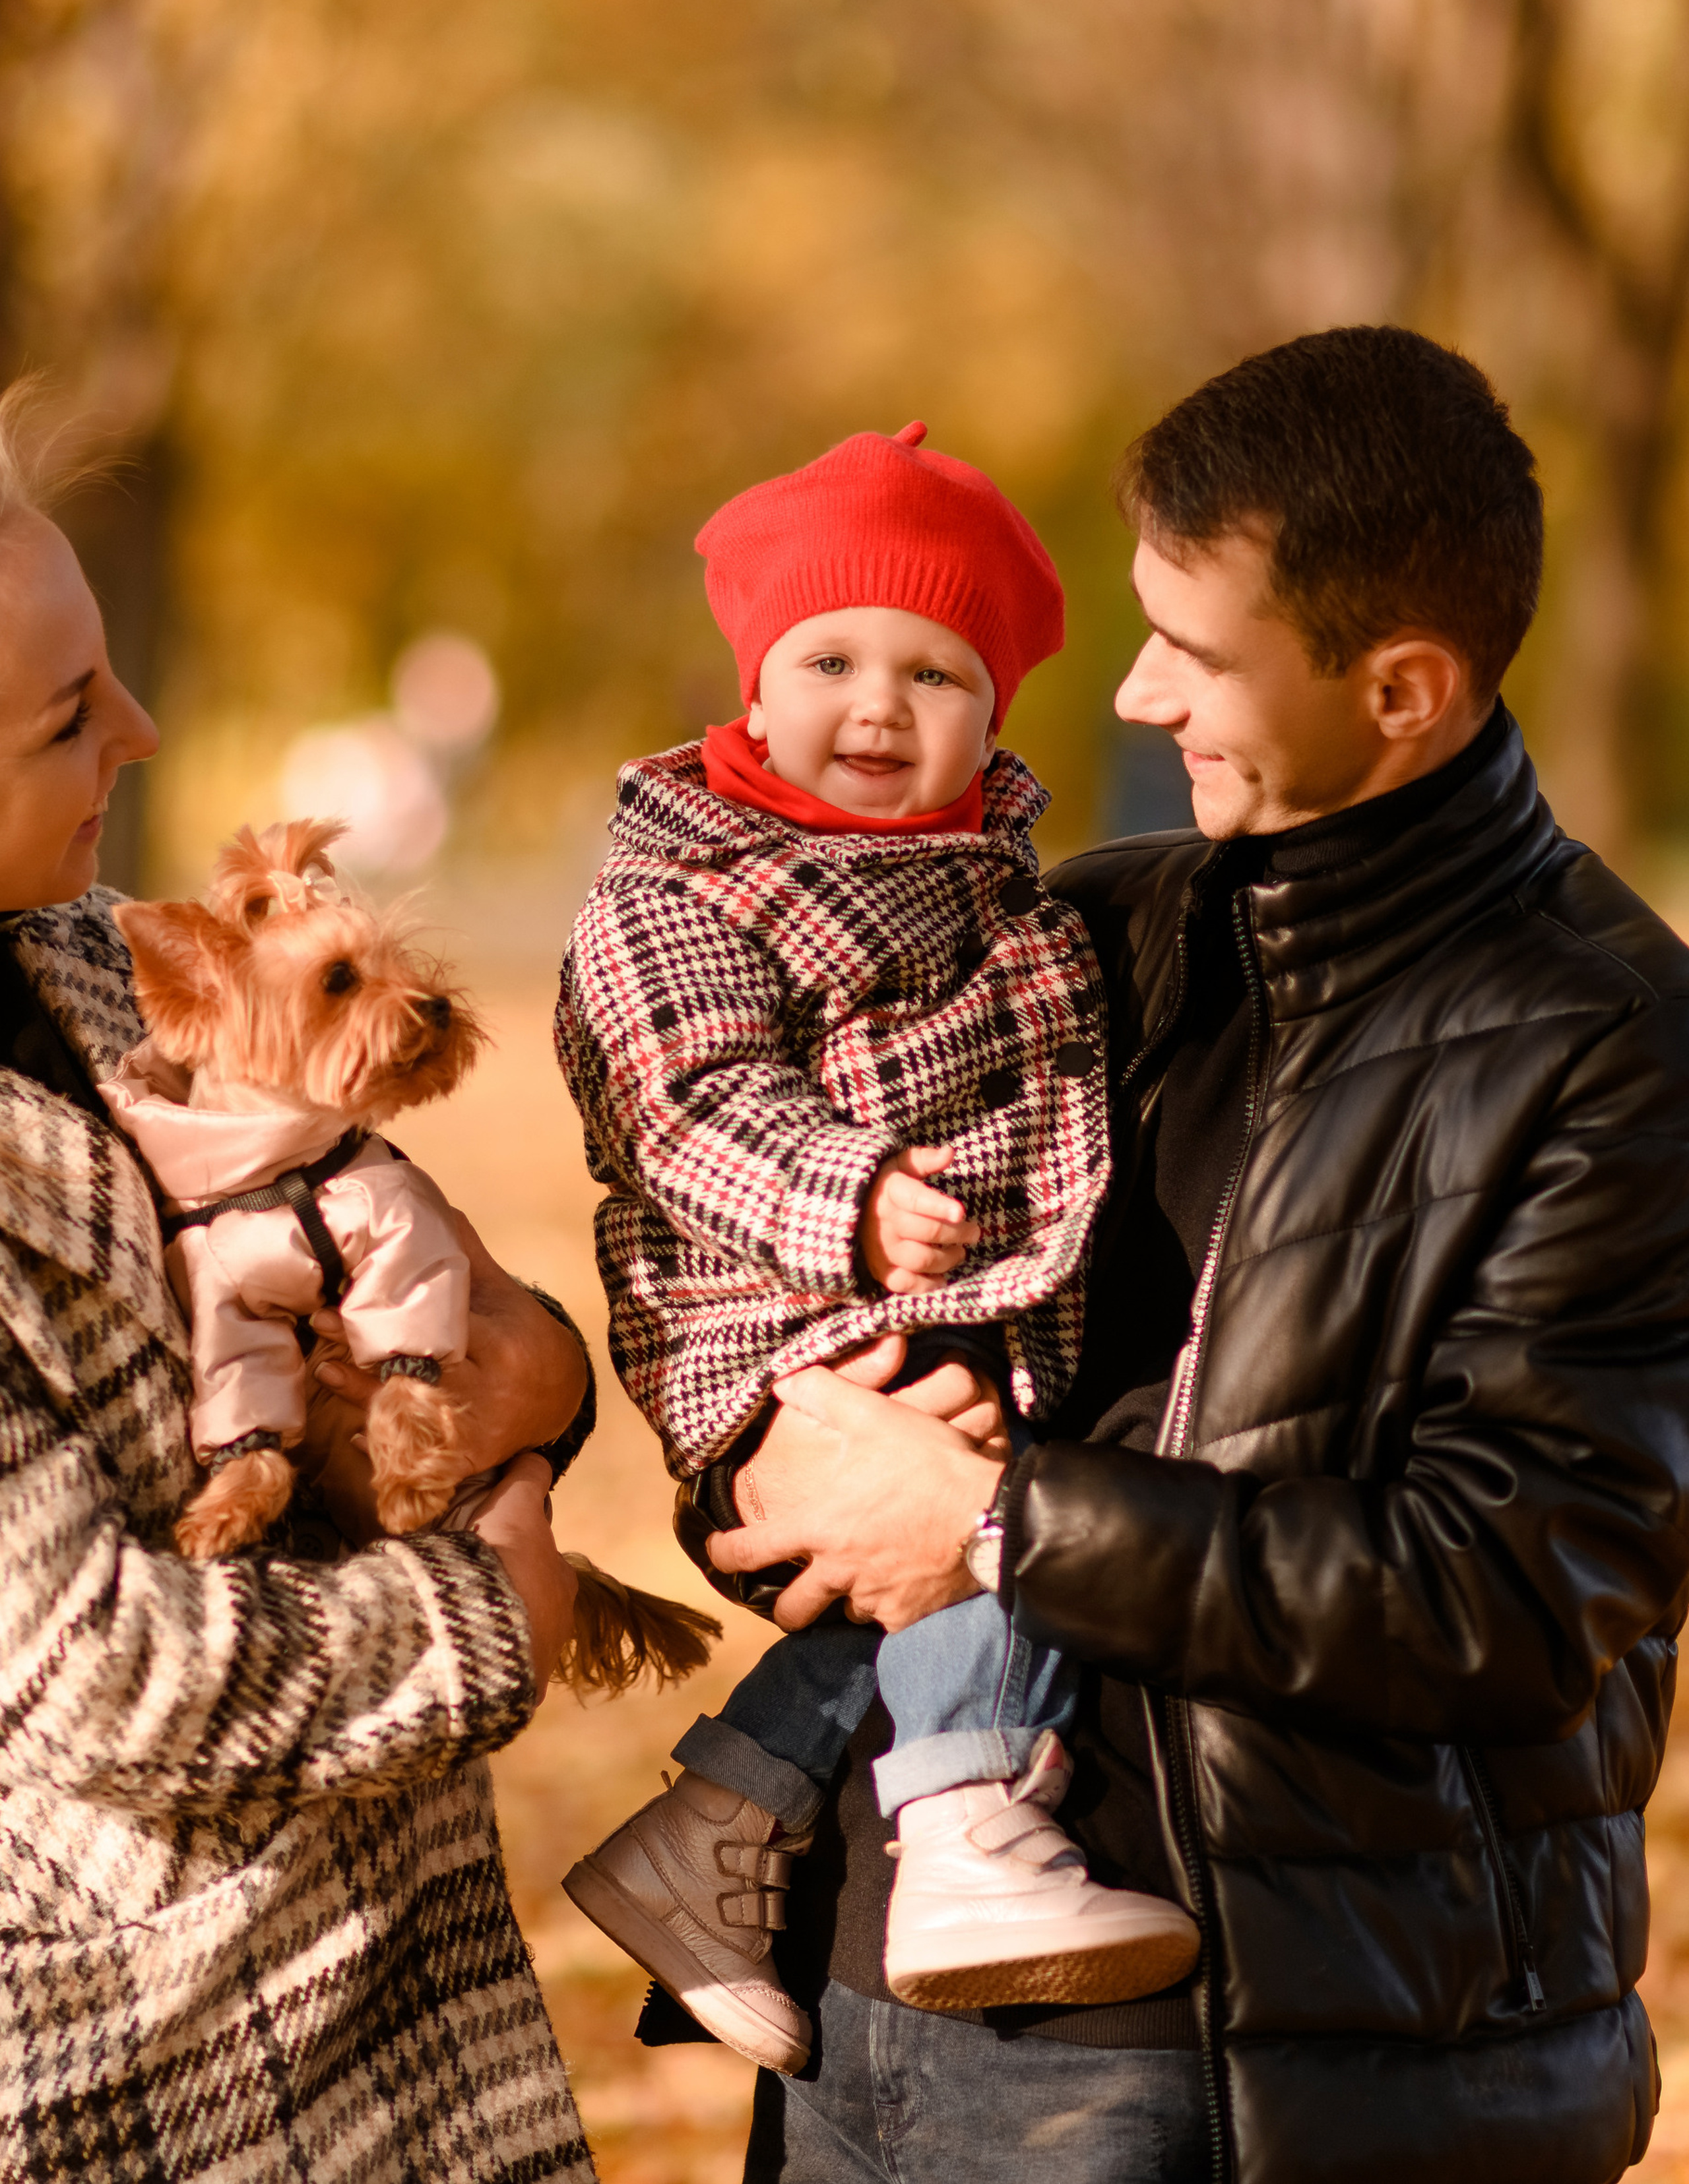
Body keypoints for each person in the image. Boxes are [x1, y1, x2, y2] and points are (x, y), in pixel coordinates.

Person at [702, 326, 1689, 2184]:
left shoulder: (1613, 1044)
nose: (1139, 694)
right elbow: (766, 1296)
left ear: (1400, 688)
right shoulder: (1081, 938)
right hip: (862, 1991)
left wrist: (994, 1529)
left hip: (1263, 2056)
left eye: (1199, 651)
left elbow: (1517, 1594)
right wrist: (712, 1444)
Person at [0, 390, 595, 2183]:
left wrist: (537, 1379)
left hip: (398, 2028)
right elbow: (90, 1669)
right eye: (62, 715)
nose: (142, 729)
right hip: (155, 2074)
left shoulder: (116, 977)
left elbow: (458, 1282)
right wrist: (496, 1626)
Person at [554, 423, 1199, 2075]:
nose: (878, 706)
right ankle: (968, 1835)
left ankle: (712, 1834)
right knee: (987, 1522)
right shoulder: (677, 886)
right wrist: (842, 1193)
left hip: (920, 1302)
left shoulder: (996, 891)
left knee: (971, 1523)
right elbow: (676, 1100)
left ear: (991, 717)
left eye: (935, 674)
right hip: (755, 1310)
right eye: (829, 658)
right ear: (751, 692)